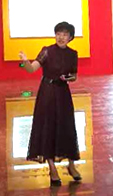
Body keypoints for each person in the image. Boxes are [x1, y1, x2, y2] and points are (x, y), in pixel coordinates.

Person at [19, 22, 82, 186]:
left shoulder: (73, 54)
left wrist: (69, 78)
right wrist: (25, 62)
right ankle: (52, 168)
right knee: (48, 127)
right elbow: (31, 69)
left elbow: (74, 76)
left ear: (70, 37)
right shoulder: (47, 51)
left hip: (63, 93)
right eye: (58, 33)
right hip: (47, 92)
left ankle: (71, 165)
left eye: (65, 34)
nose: (61, 37)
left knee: (67, 127)